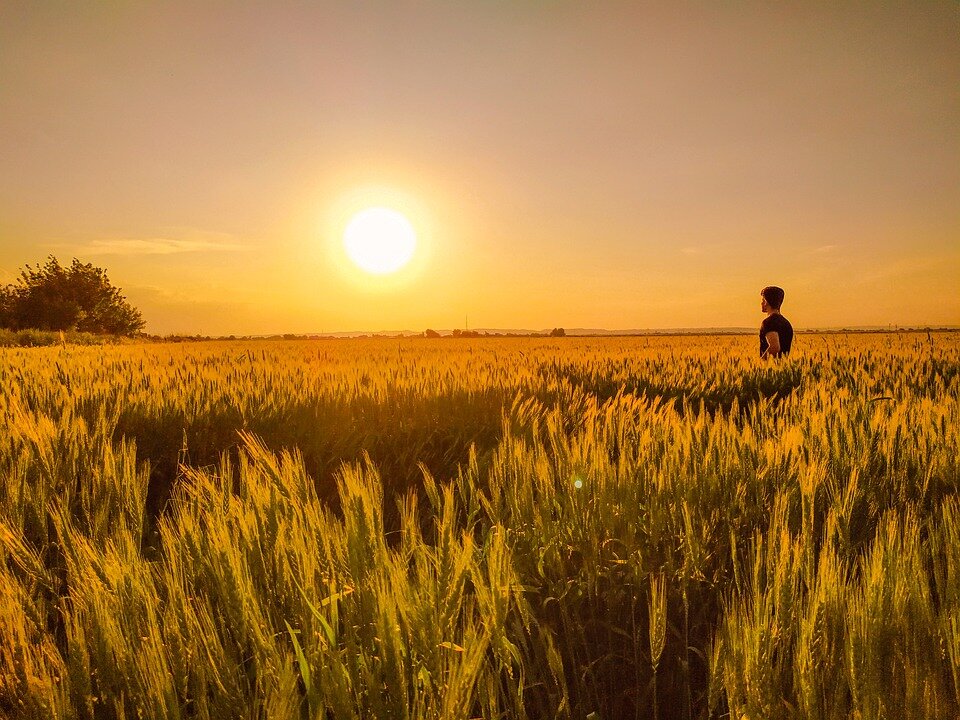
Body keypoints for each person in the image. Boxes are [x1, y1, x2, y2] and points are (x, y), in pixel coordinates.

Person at [759, 286, 793, 359]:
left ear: (766, 302)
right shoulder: (787, 323)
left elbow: (774, 347)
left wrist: (760, 362)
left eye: (763, 300)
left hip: (770, 368)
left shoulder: (768, 322)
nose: (761, 303)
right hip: (784, 367)